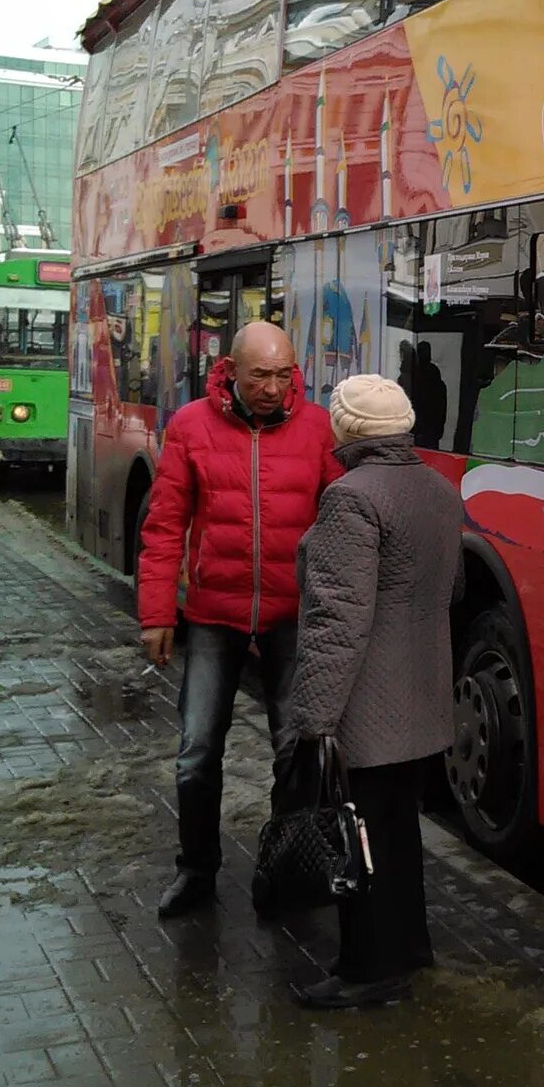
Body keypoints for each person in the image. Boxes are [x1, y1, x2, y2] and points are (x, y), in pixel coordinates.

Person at [136, 320, 343, 918]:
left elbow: (338, 521)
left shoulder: (316, 429)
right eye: (261, 376)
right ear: (231, 370)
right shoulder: (192, 427)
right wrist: (156, 615)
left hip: (290, 614)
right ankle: (196, 869)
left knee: (293, 749)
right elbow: (164, 525)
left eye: (284, 375)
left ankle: (283, 869)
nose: (275, 389)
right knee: (198, 749)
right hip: (213, 614)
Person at [283, 374, 462, 1009]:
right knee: (397, 831)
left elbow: (338, 619)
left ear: (345, 431)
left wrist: (313, 719)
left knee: (358, 838)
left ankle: (368, 968)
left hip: (367, 703)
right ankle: (409, 947)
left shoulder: (351, 498)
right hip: (425, 694)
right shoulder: (440, 489)